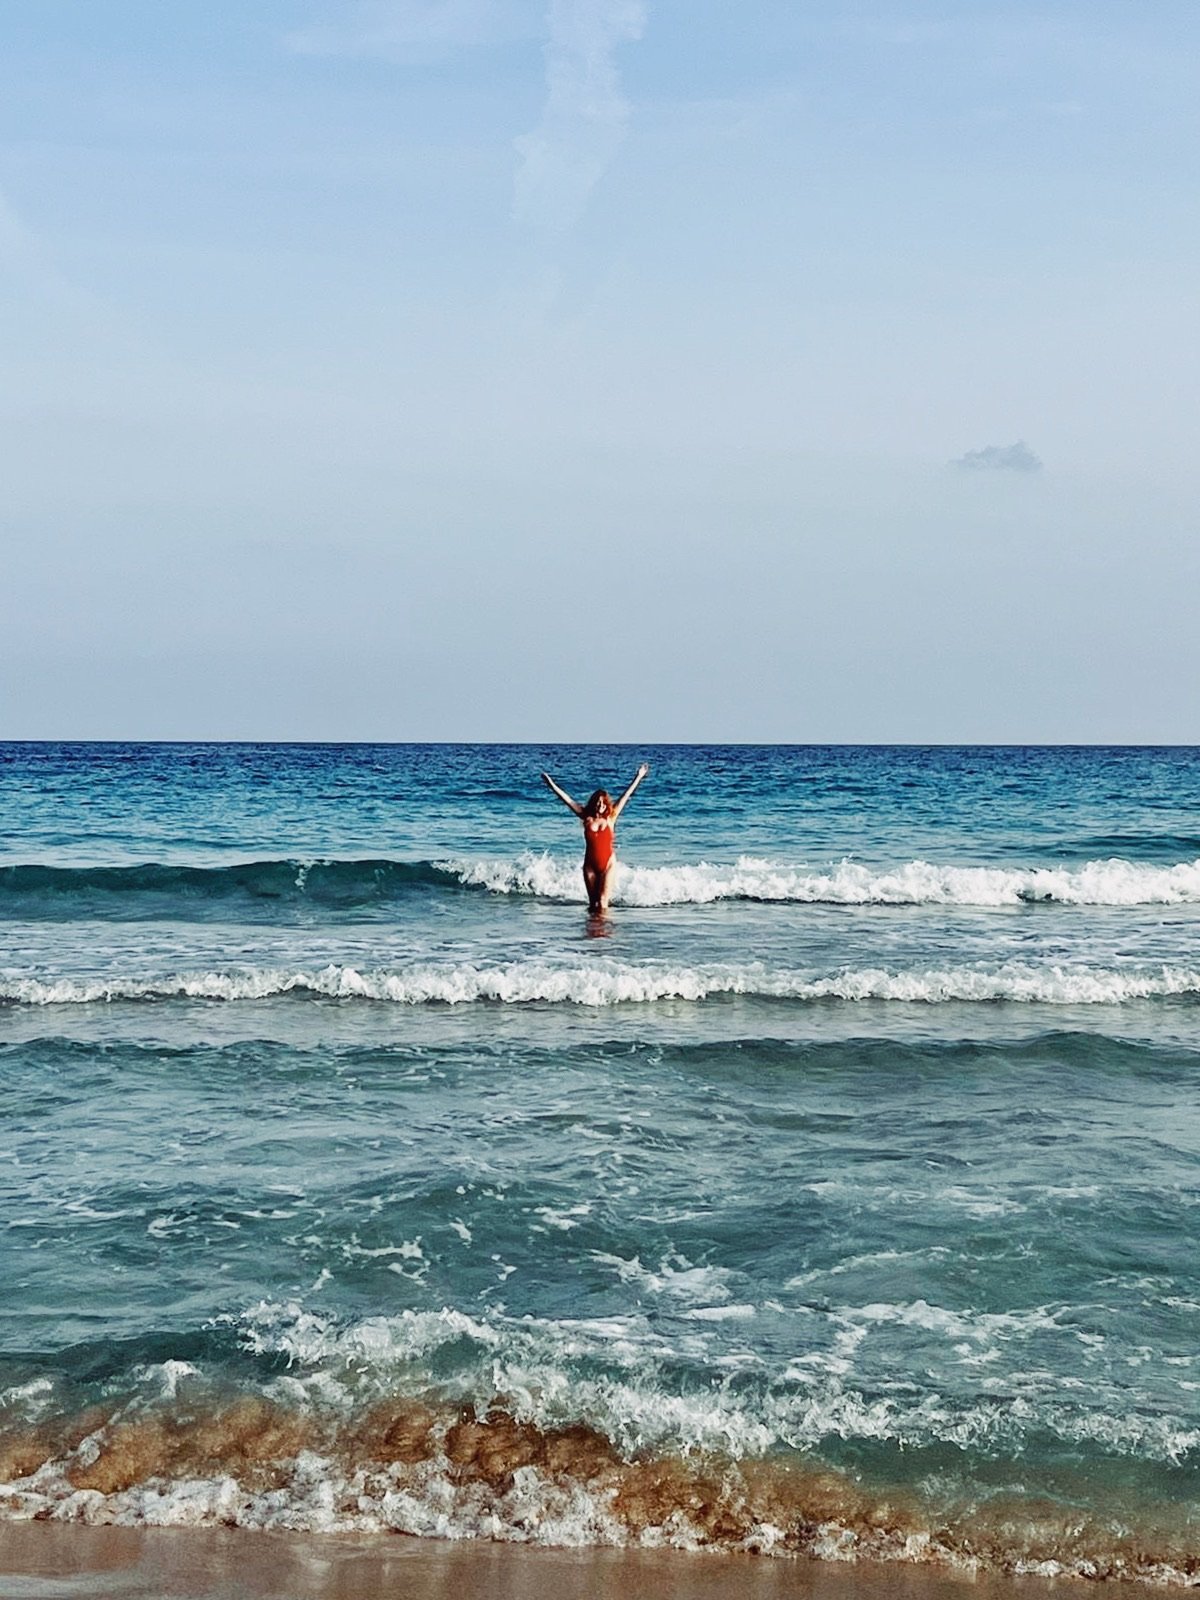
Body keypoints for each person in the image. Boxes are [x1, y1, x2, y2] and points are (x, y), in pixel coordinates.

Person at [540, 763, 650, 912]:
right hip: (590, 865)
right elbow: (567, 800)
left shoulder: (611, 817)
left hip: (608, 864)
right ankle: (592, 932)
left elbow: (626, 796)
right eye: (598, 802)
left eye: (603, 803)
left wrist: (638, 777)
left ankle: (605, 933)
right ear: (594, 803)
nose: (600, 805)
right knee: (593, 904)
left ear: (606, 805)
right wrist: (551, 784)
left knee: (603, 902)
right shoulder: (586, 817)